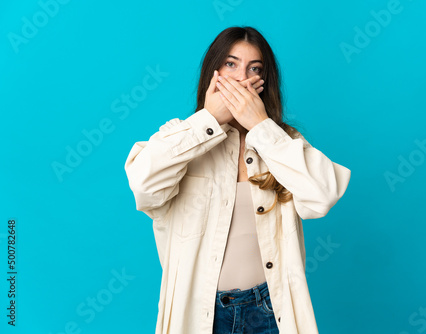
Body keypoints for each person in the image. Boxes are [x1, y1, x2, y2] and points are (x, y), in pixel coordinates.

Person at [124, 26, 351, 334]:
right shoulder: (181, 140)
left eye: (253, 69)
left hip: (270, 312)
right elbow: (144, 187)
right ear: (213, 71)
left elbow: (322, 196)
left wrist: (261, 125)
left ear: (263, 82)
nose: (242, 78)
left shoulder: (281, 143)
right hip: (202, 316)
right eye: (231, 64)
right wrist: (208, 119)